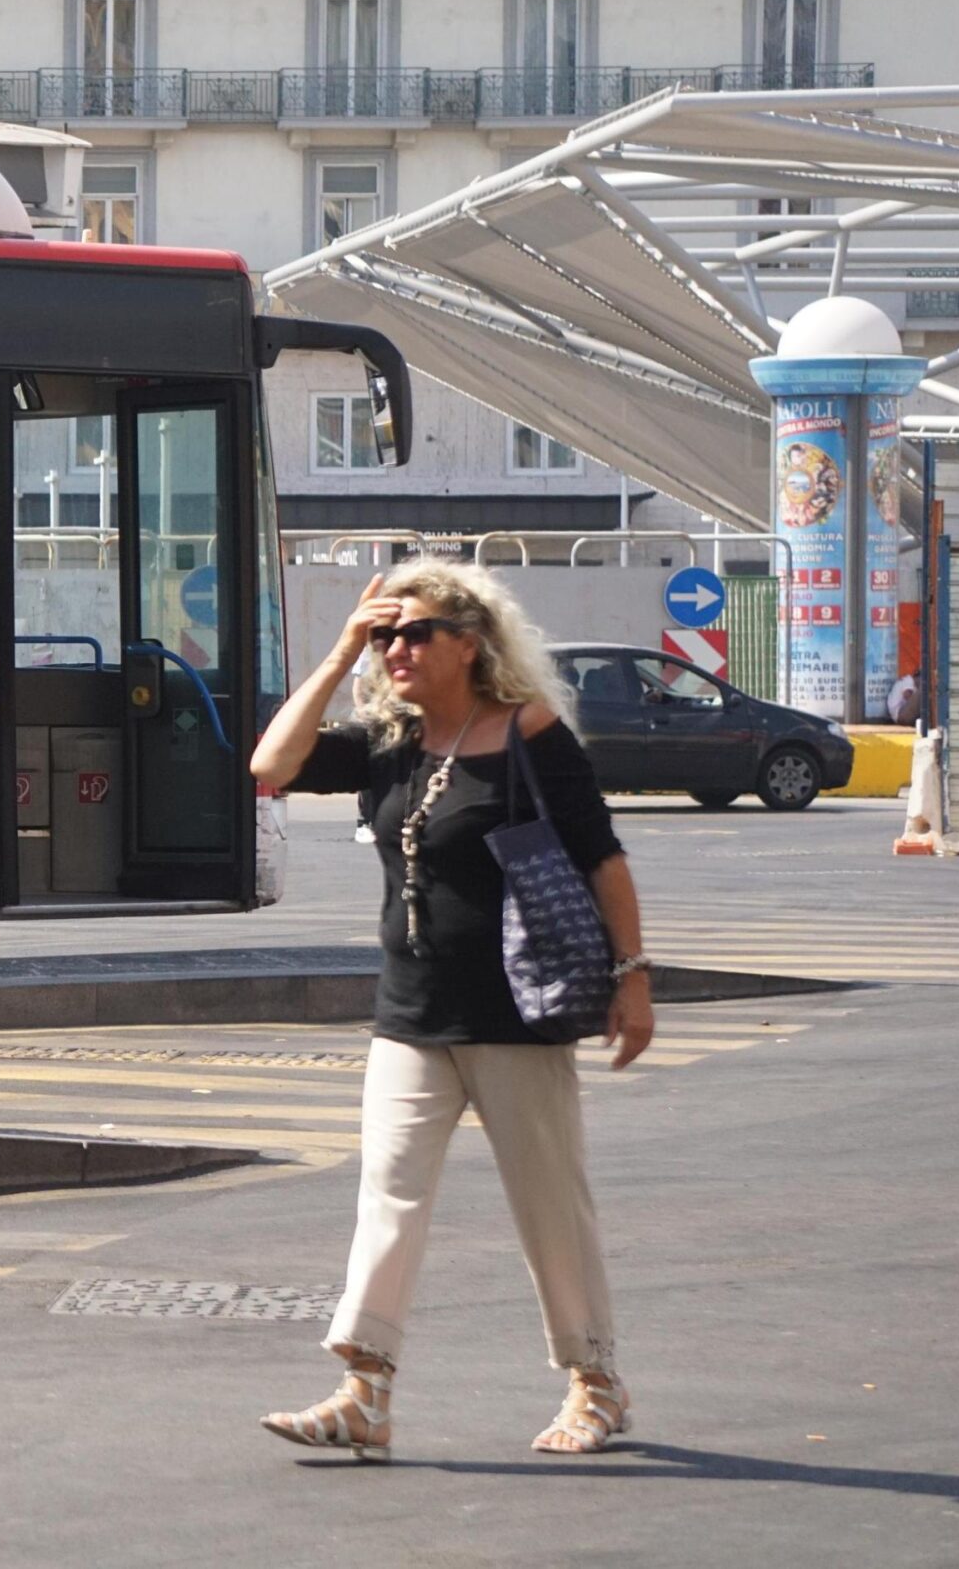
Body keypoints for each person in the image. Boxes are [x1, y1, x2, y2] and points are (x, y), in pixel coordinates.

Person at [247, 559, 654, 1461]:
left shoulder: (528, 733)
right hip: (412, 1009)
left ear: (468, 645)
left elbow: (603, 858)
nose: (395, 648)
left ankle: (597, 1382)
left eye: (413, 632)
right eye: (384, 635)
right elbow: (270, 763)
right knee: (387, 1195)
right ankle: (366, 1390)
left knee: (550, 1201)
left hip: (518, 1009)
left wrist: (632, 976)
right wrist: (341, 645)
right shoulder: (389, 741)